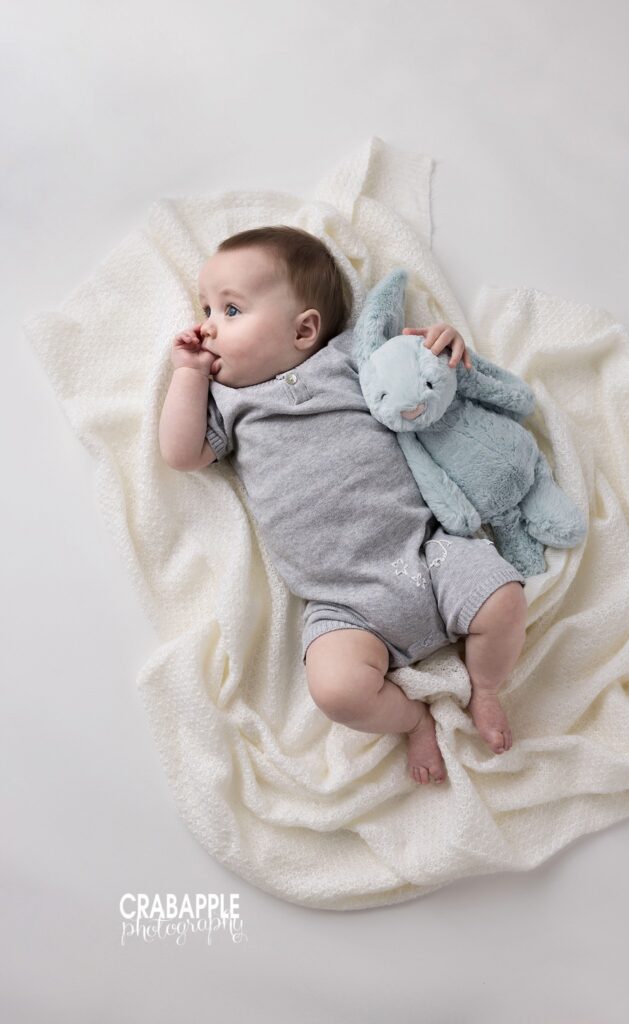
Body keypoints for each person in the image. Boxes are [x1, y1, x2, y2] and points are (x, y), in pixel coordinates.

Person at [158, 226, 527, 785]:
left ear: (304, 329)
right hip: (343, 603)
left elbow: (416, 372)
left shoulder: (349, 356)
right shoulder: (229, 402)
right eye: (206, 308)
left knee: (503, 599)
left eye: (230, 310)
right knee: (335, 691)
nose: (206, 325)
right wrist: (187, 375)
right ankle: (412, 720)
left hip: (427, 551)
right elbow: (181, 453)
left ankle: (486, 687)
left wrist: (442, 344)